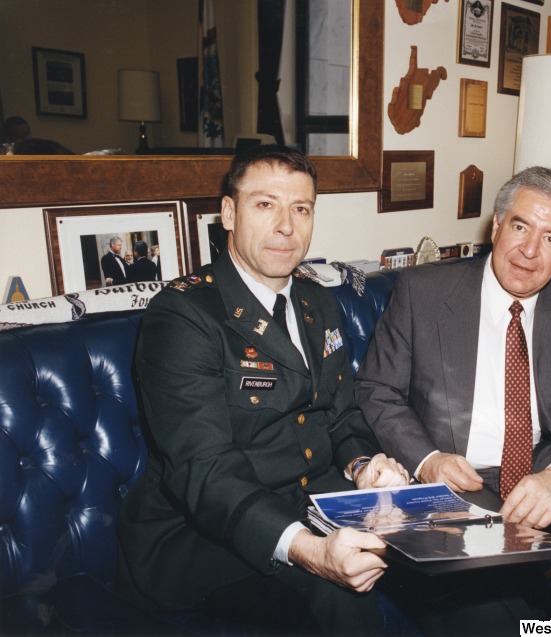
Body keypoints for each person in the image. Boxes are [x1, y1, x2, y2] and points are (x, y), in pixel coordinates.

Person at [116, 146, 413, 635]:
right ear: (229, 213)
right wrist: (311, 549)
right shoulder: (184, 315)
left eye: (301, 208)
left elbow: (341, 416)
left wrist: (364, 466)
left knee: (439, 547)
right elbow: (204, 470)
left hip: (315, 501)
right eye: (265, 204)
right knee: (338, 592)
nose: (286, 227)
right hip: (203, 535)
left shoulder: (318, 300)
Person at [354, 166, 551, 620]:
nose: (530, 251)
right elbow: (378, 389)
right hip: (456, 472)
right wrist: (427, 459)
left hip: (536, 461)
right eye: (520, 226)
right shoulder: (423, 293)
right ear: (496, 226)